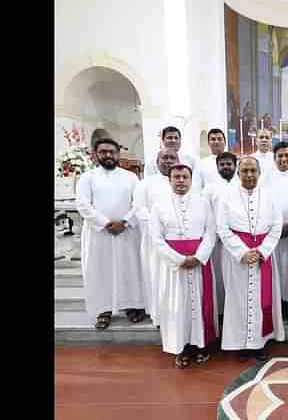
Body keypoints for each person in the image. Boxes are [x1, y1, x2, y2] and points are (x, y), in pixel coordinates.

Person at [217, 156, 284, 361]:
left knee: (261, 299)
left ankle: (259, 343)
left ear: (259, 173)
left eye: (253, 171)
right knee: (238, 300)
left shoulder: (270, 196)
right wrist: (242, 251)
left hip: (263, 255)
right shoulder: (226, 196)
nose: (249, 175)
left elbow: (277, 225)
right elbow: (222, 227)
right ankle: (239, 343)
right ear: (238, 173)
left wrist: (262, 250)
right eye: (244, 171)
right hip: (237, 258)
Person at [150, 164, 218, 368]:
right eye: (176, 177)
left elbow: (210, 232)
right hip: (174, 266)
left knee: (201, 304)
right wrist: (179, 259)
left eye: (184, 177)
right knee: (177, 307)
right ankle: (181, 347)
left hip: (199, 262)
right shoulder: (159, 205)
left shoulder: (203, 202)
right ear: (169, 180)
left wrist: (199, 256)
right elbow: (156, 238)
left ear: (191, 180)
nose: (180, 180)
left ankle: (201, 345)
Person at [76, 138, 145, 329]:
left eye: (111, 152)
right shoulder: (87, 177)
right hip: (99, 234)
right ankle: (103, 310)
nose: (108, 155)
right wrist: (106, 223)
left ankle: (132, 305)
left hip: (127, 232)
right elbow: (82, 204)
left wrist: (125, 222)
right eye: (103, 152)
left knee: (129, 268)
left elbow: (139, 204)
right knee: (100, 271)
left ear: (118, 154)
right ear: (96, 154)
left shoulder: (131, 178)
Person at [133, 148, 178, 326]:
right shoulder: (145, 184)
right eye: (164, 158)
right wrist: (159, 226)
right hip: (154, 240)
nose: (168, 161)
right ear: (157, 162)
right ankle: (159, 315)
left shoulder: (182, 179)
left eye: (172, 158)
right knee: (156, 277)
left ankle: (176, 313)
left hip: (179, 241)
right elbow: (139, 209)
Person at [262, 141, 288, 325]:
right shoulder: (266, 179)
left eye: (287, 155)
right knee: (276, 272)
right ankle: (277, 307)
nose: (284, 159)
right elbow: (263, 204)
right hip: (274, 234)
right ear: (274, 158)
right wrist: (277, 226)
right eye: (280, 156)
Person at [202, 151, 240, 332]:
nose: (226, 167)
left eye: (229, 164)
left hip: (238, 242)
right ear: (217, 167)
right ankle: (220, 314)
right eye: (222, 164)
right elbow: (206, 213)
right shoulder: (209, 188)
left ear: (235, 166)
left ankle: (235, 313)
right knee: (219, 279)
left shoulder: (241, 185)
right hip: (216, 242)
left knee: (234, 280)